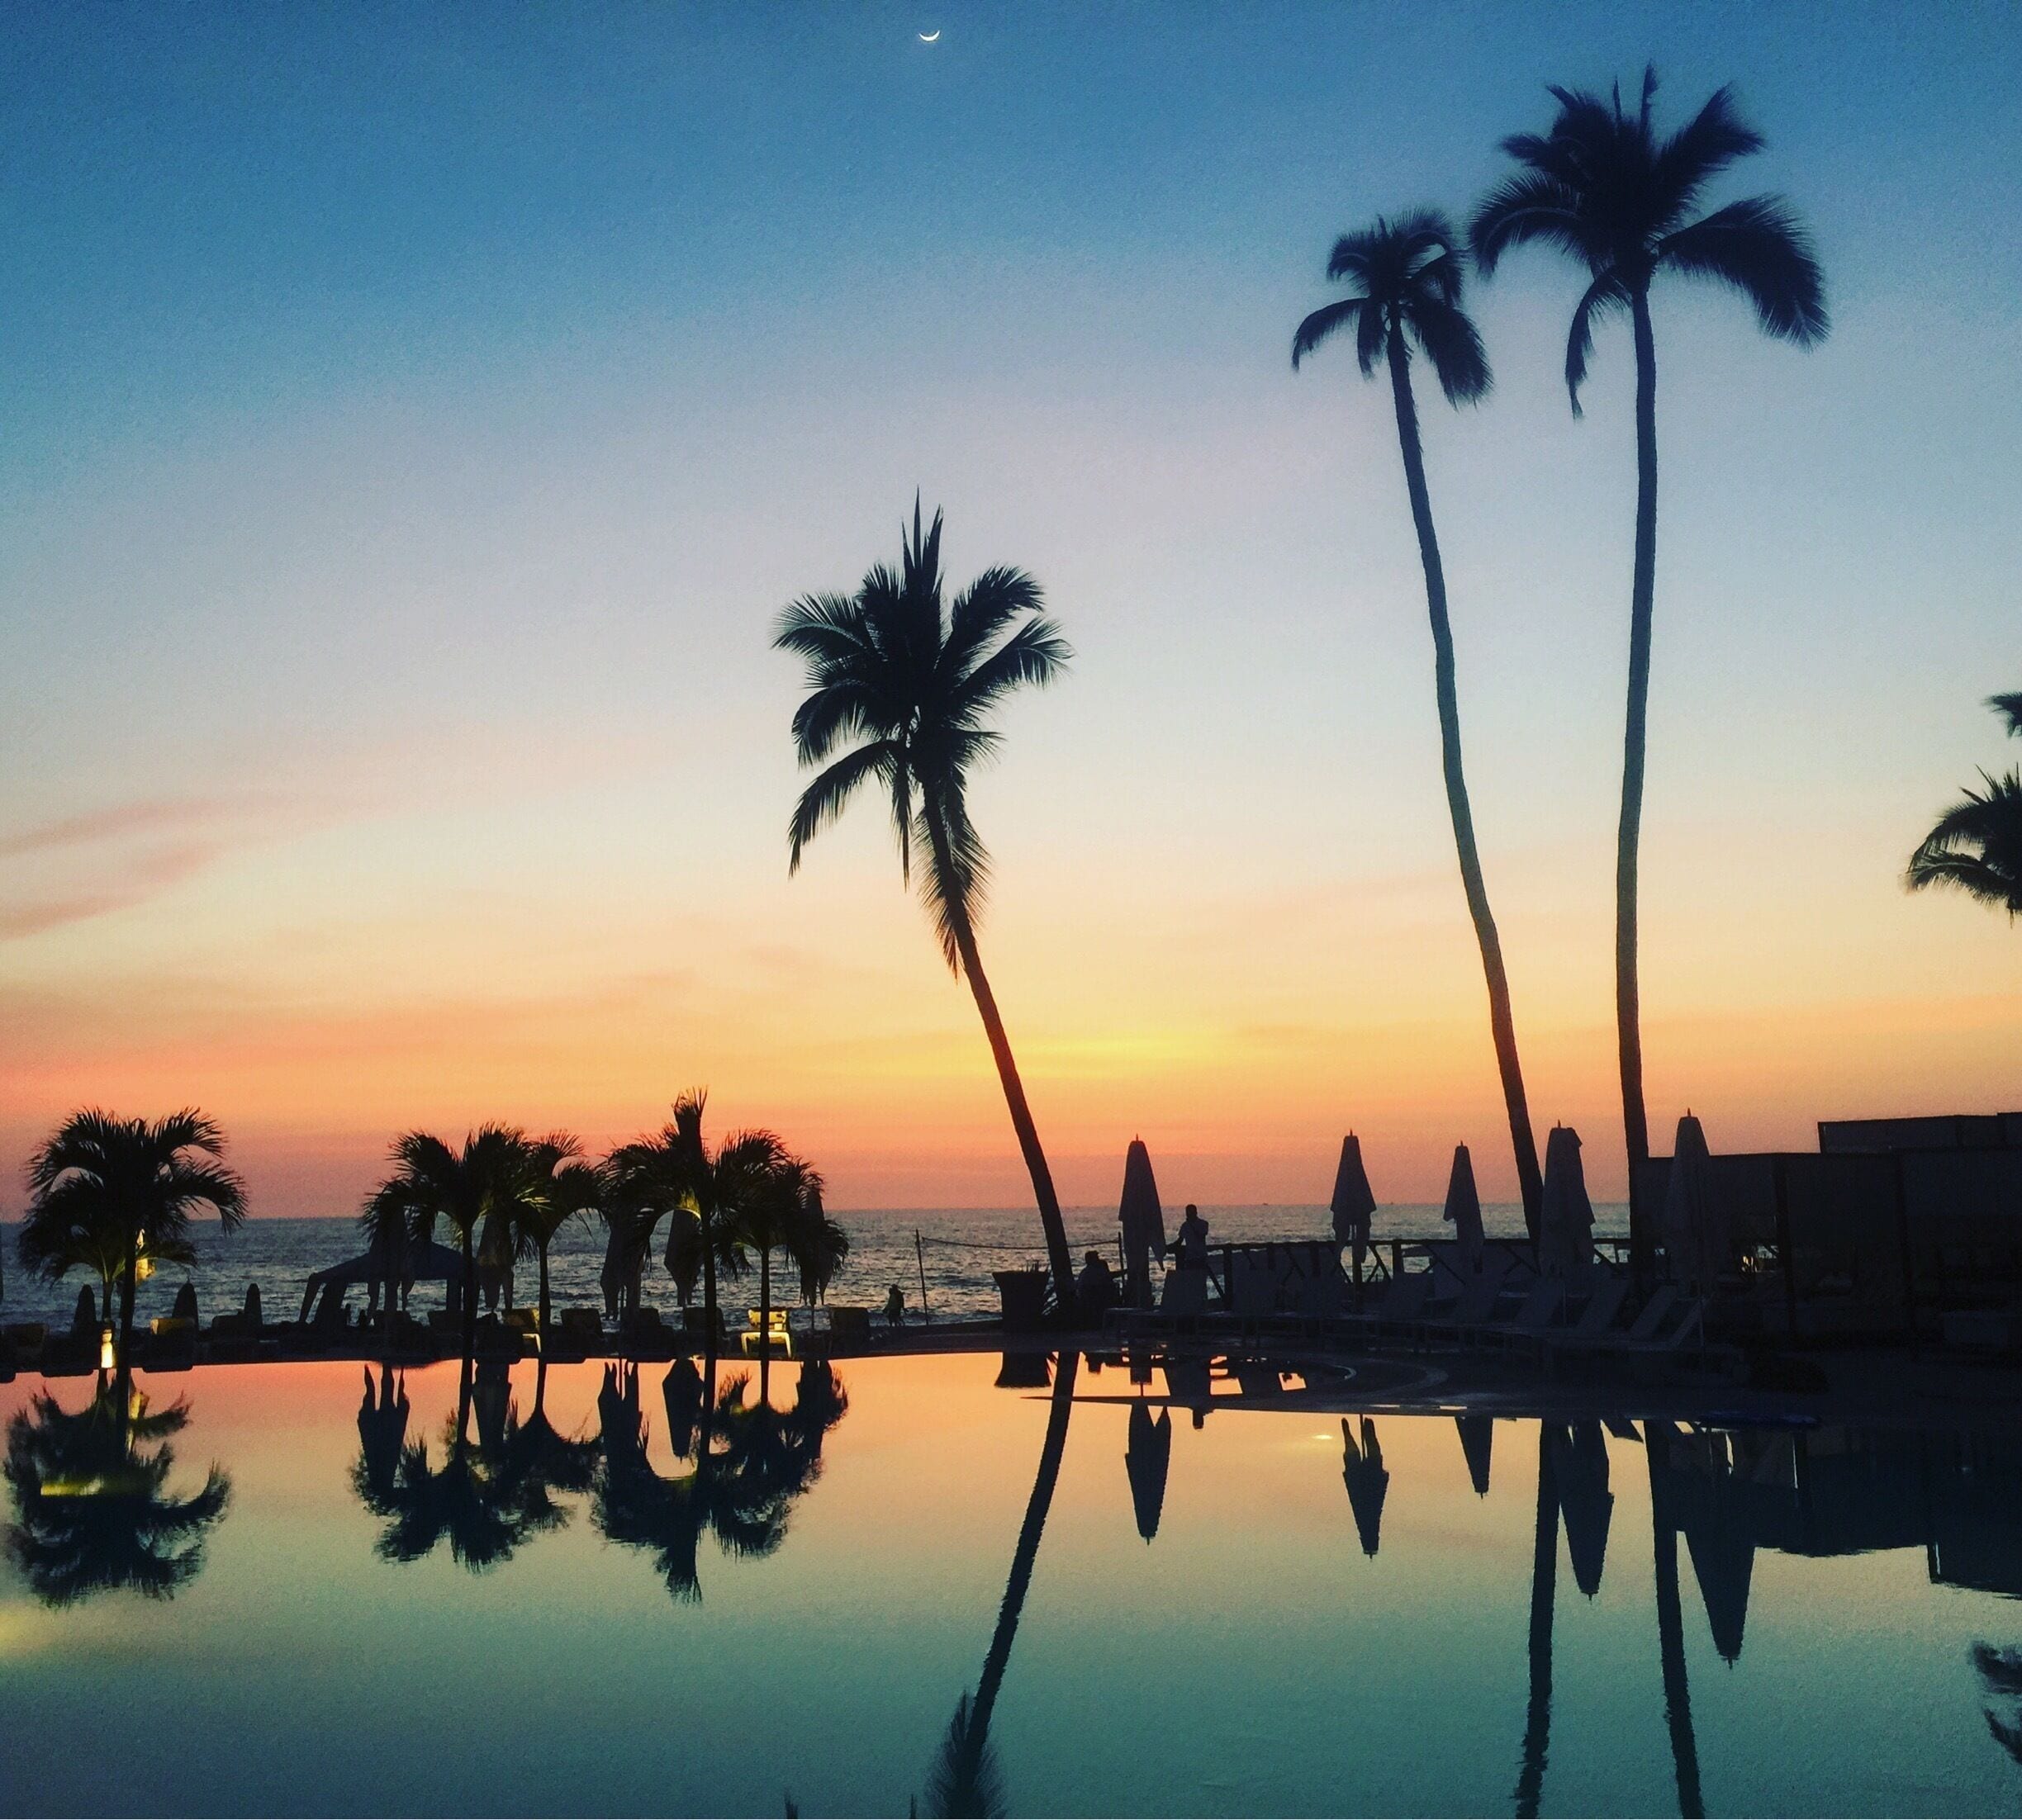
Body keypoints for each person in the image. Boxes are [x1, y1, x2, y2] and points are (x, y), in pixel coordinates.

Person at [1075, 1249, 1118, 1324]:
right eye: (1096, 1258)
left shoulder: (1085, 1271)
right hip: (1094, 1299)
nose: (1098, 1259)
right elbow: (1108, 1277)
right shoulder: (1094, 1271)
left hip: (1087, 1300)